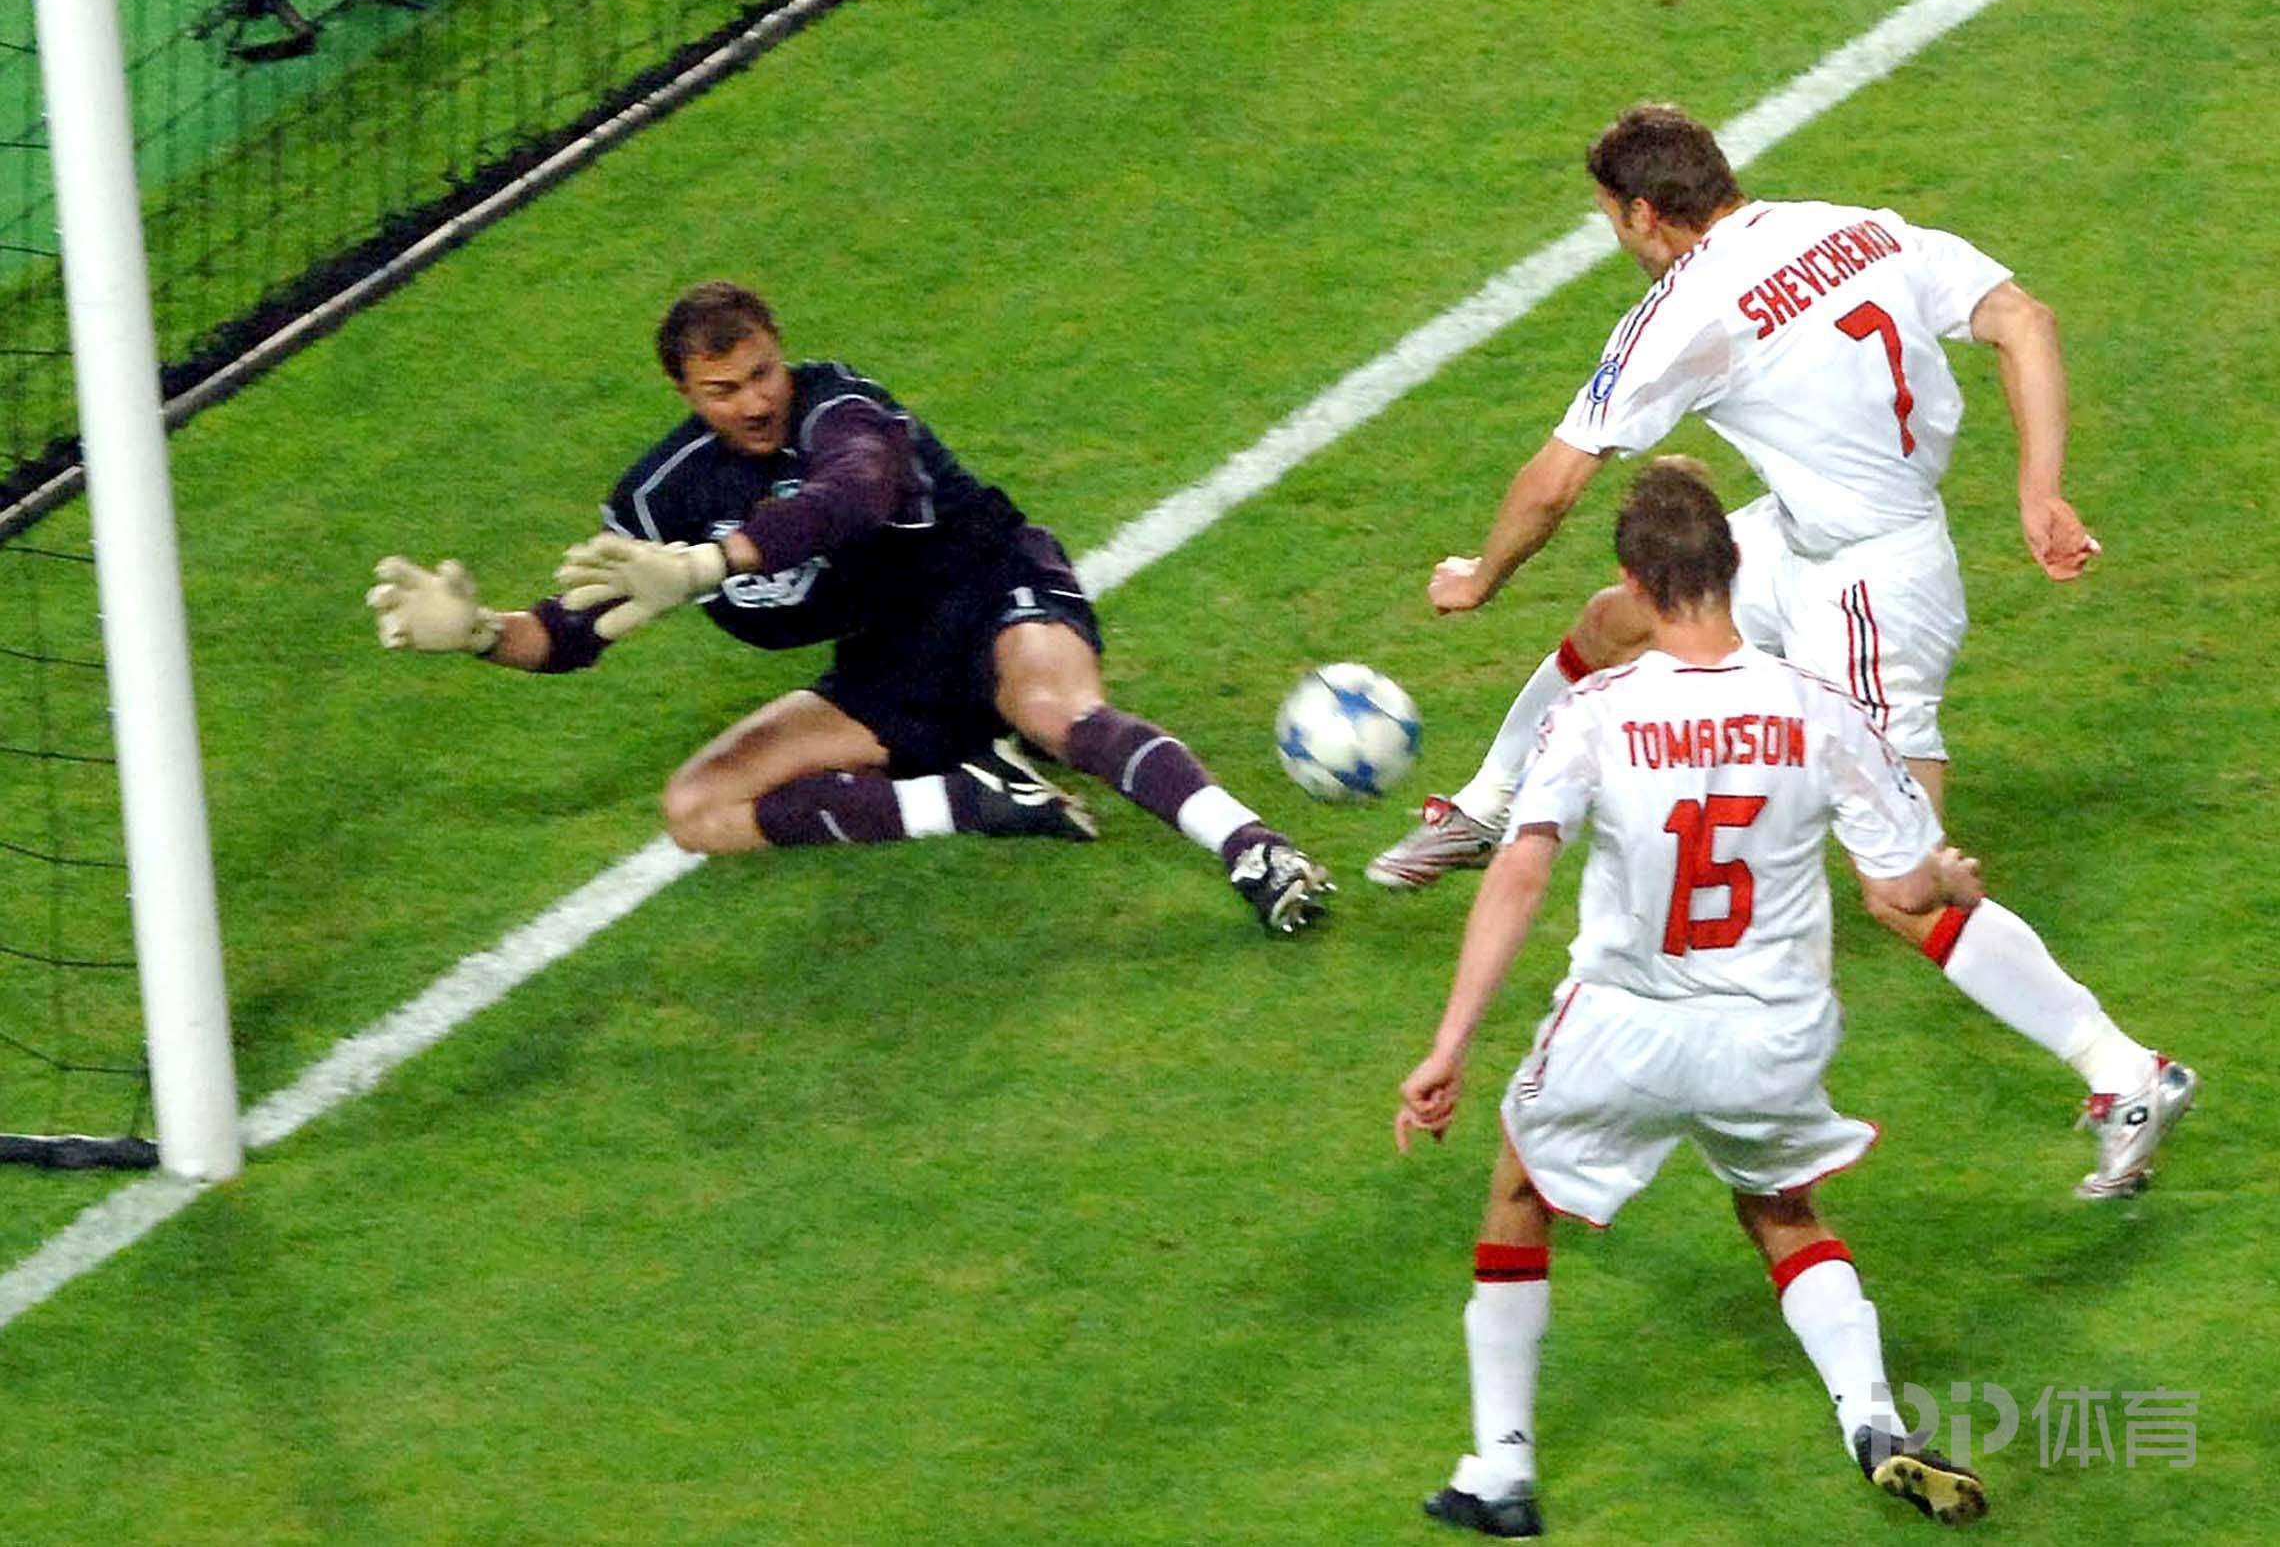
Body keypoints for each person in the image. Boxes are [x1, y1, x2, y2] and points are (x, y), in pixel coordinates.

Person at [1368, 103, 2192, 1197]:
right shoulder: (1857, 228)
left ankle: (2126, 1072)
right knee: (1625, 617)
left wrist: (1480, 575)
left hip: (1873, 593)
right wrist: (2039, 489)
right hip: (1810, 539)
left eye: (1612, 218)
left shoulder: (1684, 311)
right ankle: (1486, 803)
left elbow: (1556, 482)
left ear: (1645, 214)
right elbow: (2023, 319)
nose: (1618, 237)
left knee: (1906, 890)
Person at [1396, 462, 1990, 1537]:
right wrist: (1949, 879)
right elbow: (1904, 888)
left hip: (1624, 1025)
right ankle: (1873, 1421)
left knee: (1521, 1189)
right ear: (1734, 565)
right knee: (1782, 1208)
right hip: (1771, 1034)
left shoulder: (1597, 711)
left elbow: (1520, 873)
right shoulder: (1819, 708)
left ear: (1634, 582)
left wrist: (1449, 1044)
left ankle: (1500, 1469)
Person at [367, 281, 1332, 933]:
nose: (754, 403)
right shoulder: (664, 495)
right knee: (697, 808)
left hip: (989, 583)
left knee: (1052, 711)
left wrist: (707, 567)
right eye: (722, 391)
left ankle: (1255, 850)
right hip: (890, 660)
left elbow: (851, 497)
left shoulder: (841, 407)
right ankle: (975, 799)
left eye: (762, 374)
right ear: (684, 392)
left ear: (780, 353)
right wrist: (482, 634)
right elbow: (569, 633)